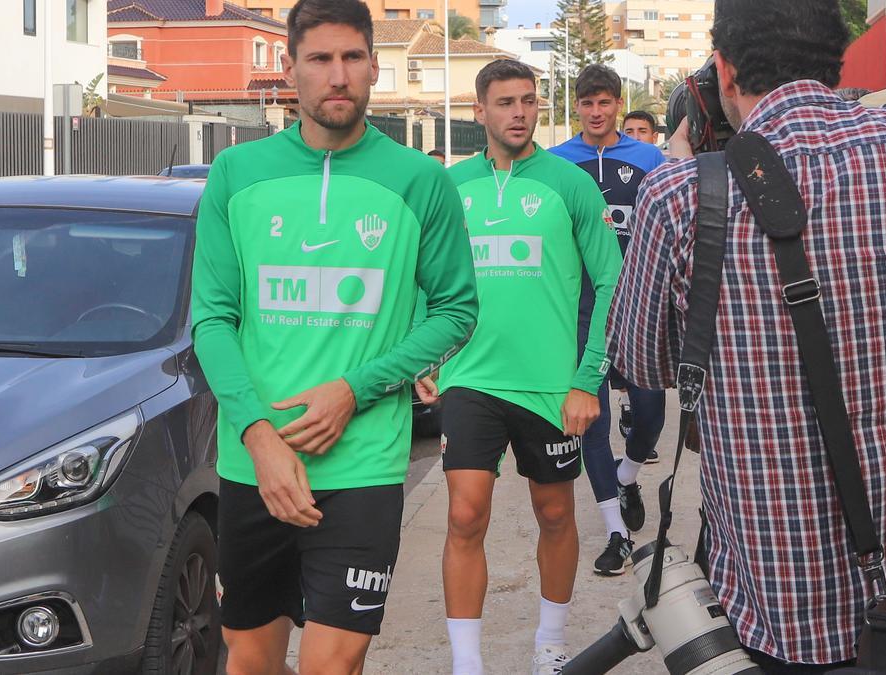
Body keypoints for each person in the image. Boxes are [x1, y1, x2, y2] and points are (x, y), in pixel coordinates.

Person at [610, 0, 886, 671]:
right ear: (836, 59)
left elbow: (642, 360)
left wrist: (679, 163)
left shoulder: (682, 194)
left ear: (723, 70)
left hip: (780, 597)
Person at [190, 0, 478, 672]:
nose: (338, 75)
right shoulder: (236, 174)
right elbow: (211, 317)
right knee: (250, 660)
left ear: (376, 67)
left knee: (331, 665)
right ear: (290, 70)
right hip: (253, 465)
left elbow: (457, 309)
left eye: (352, 57)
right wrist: (259, 437)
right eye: (320, 59)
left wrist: (355, 389)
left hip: (364, 468)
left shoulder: (421, 181)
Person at [415, 58, 621, 675]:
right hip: (471, 378)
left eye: (528, 101)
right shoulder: (450, 187)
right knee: (464, 512)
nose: (519, 113)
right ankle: (467, 663)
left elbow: (614, 279)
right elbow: (426, 280)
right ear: (479, 111)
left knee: (555, 513)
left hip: (550, 388)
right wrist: (423, 354)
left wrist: (588, 380)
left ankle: (550, 643)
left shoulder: (570, 183)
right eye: (504, 102)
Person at [549, 64, 667, 576]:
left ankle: (628, 473)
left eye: (605, 102)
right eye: (587, 103)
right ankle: (616, 535)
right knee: (590, 421)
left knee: (650, 411)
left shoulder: (648, 158)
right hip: (579, 311)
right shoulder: (556, 162)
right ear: (576, 106)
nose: (596, 112)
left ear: (618, 104)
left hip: (636, 302)